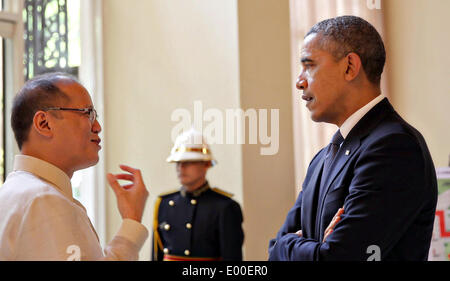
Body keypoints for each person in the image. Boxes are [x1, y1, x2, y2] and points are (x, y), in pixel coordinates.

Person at [268, 15, 437, 261]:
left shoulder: (395, 147)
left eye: (309, 65)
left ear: (349, 67)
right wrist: (303, 247)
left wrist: (290, 245)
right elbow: (274, 250)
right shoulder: (322, 158)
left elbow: (338, 258)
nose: (299, 81)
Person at [0, 72, 149, 260]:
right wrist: (132, 222)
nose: (97, 126)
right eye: (87, 113)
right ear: (44, 123)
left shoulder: (18, 192)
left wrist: (131, 219)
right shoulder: (42, 199)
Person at [152, 128, 244, 261]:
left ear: (206, 164)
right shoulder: (164, 203)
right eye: (178, 163)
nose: (180, 168)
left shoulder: (225, 207)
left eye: (188, 162)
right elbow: (157, 255)